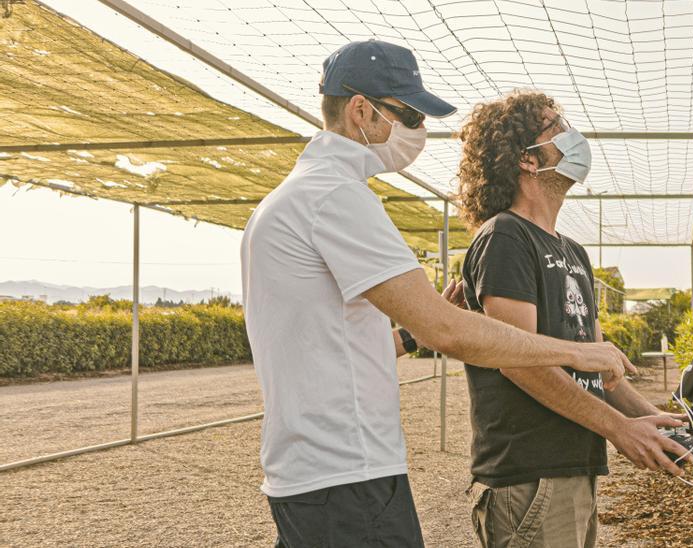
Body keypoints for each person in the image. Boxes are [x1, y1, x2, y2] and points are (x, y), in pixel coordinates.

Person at [241, 41, 634, 548]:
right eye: (408, 114)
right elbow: (445, 329)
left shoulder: (289, 198)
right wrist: (580, 352)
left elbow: (329, 343)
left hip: (310, 474)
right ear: (361, 110)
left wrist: (408, 334)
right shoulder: (337, 195)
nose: (420, 131)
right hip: (349, 475)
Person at [454, 90, 691, 547]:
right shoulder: (505, 237)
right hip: (529, 474)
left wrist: (669, 428)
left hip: (572, 467)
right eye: (556, 127)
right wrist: (620, 430)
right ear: (526, 159)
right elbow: (518, 360)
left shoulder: (572, 251)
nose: (572, 136)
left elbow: (603, 371)